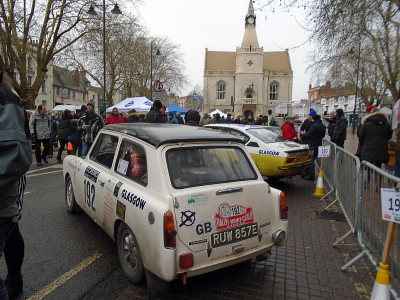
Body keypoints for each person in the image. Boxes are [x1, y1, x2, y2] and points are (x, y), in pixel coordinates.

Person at [0, 67, 32, 299]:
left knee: (11, 228)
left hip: (7, 183)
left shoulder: (7, 98)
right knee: (11, 230)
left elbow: (16, 154)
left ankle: (15, 278)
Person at [301, 114, 326, 180]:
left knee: (311, 160)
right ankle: (309, 174)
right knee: (313, 159)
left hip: (312, 144)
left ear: (313, 118)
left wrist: (303, 134)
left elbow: (309, 135)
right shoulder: (322, 126)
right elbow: (323, 135)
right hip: (318, 144)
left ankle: (311, 176)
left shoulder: (314, 126)